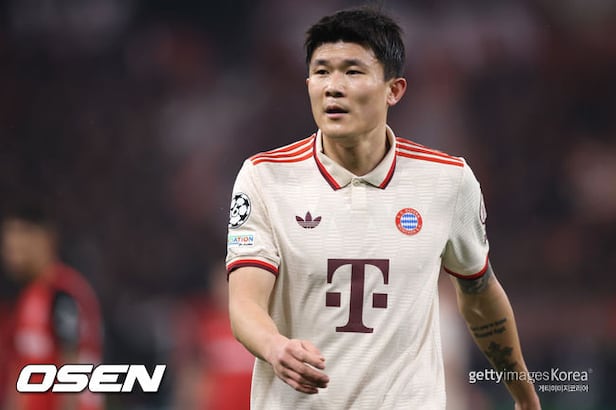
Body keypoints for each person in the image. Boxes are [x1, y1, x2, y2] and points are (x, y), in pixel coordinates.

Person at [226, 7, 541, 410]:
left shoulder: (448, 181)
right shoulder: (264, 177)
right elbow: (245, 302)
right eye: (321, 72)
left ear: (394, 90)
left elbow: (479, 294)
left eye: (352, 71)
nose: (333, 87)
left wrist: (524, 395)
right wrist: (275, 347)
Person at [1, 204, 103, 410]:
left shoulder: (64, 293)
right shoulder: (29, 298)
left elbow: (72, 368)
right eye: (9, 250)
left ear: (45, 240)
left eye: (20, 248)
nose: (12, 257)